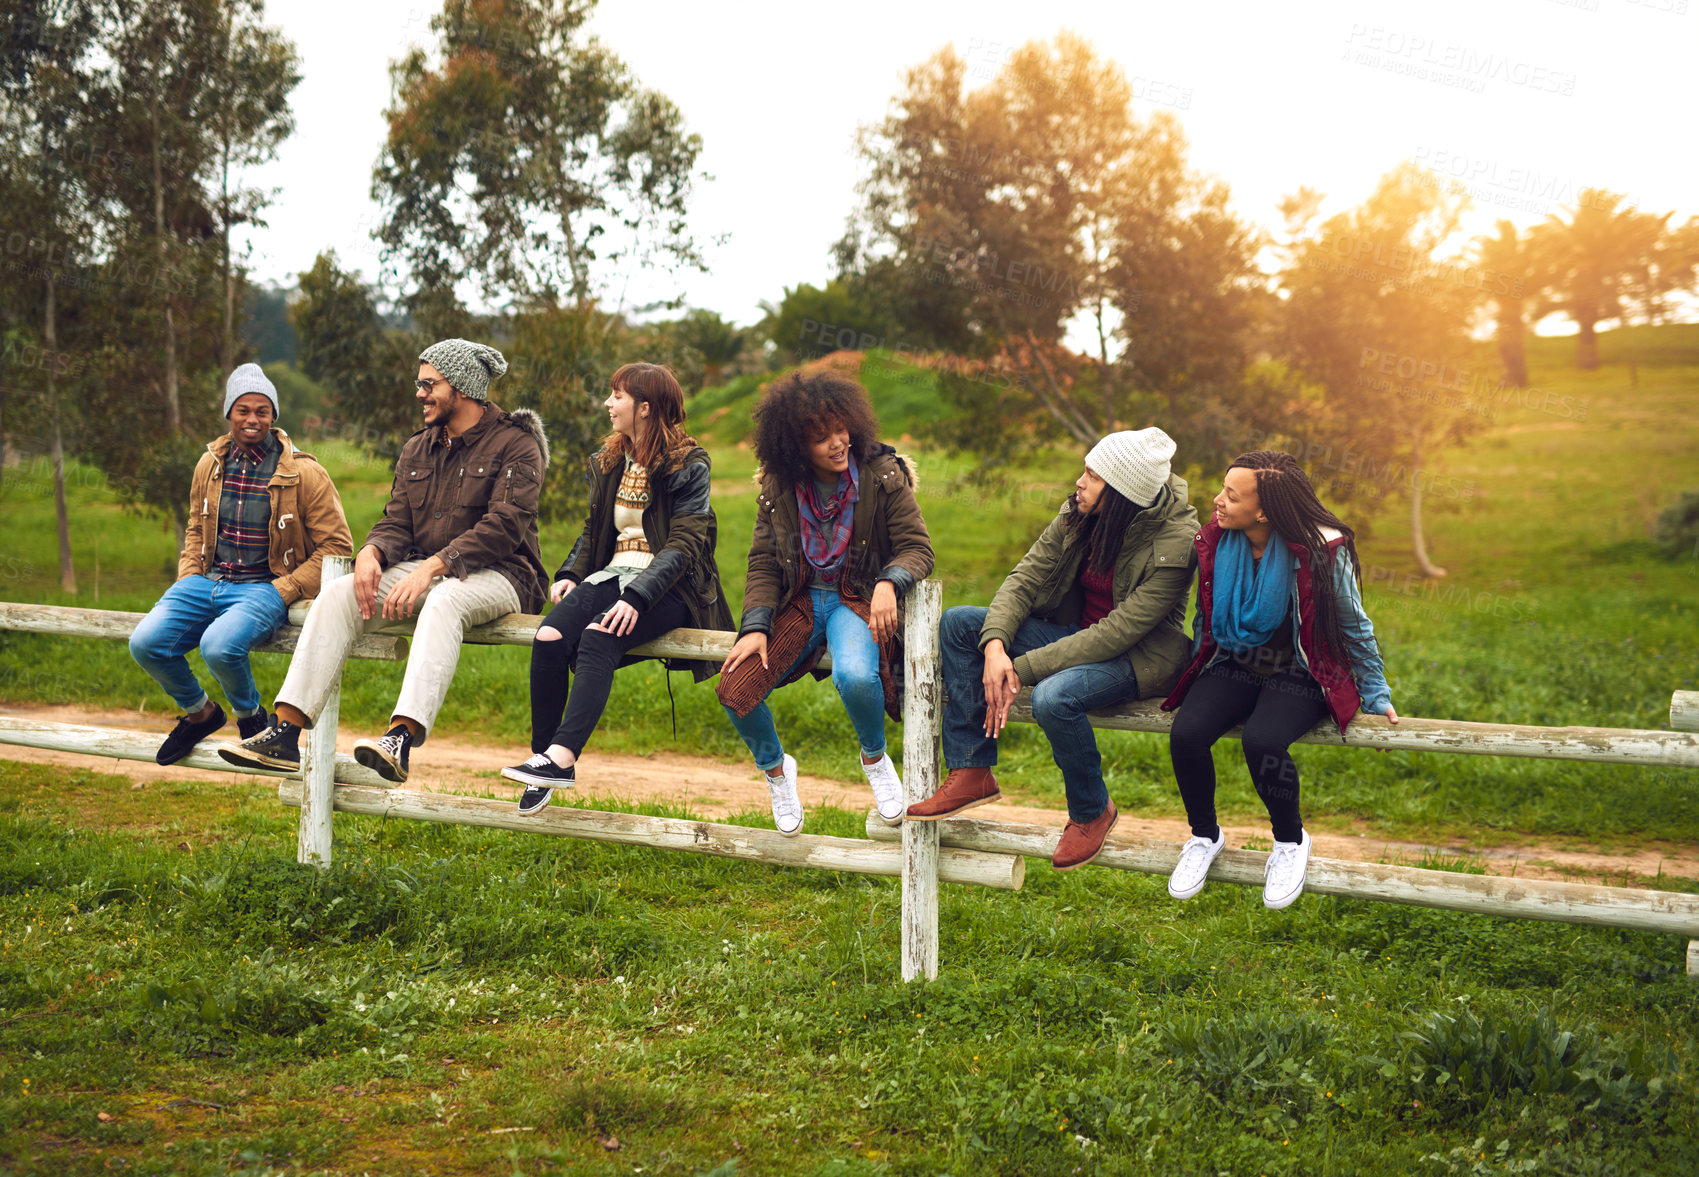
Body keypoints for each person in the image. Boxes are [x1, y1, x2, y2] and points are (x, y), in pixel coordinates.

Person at [220, 339, 549, 783]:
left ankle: (400, 738)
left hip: (504, 574)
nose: (419, 393)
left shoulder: (516, 444)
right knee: (337, 595)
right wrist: (373, 552)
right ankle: (284, 734)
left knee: (446, 600)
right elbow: (397, 520)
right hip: (430, 571)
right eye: (419, 383)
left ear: (463, 387)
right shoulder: (418, 447)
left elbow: (505, 526)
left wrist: (434, 566)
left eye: (429, 384)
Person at [906, 427, 1198, 872]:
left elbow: (1118, 632)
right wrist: (996, 647)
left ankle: (1091, 811)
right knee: (961, 623)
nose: (1080, 482)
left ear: (1121, 493)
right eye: (1084, 469)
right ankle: (972, 770)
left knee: (1054, 698)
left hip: (1137, 656)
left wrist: (1019, 668)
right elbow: (1024, 578)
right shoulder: (1079, 511)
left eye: (1092, 475)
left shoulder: (1177, 541)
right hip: (1072, 634)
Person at [1160, 449, 1397, 910]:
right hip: (1237, 661)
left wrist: (1375, 692)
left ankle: (1290, 843)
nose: (1218, 500)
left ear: (1263, 509)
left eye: (1231, 494)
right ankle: (1204, 836)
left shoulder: (1320, 552)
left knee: (1262, 741)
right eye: (1222, 489)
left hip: (1302, 670)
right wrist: (1194, 670)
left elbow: (1354, 624)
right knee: (1186, 734)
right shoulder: (1216, 540)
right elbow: (1206, 620)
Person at [502, 363, 733, 813]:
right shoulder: (611, 461)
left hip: (671, 587)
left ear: (645, 409)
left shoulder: (689, 465)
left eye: (618, 396)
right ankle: (544, 760)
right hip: (613, 573)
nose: (608, 404)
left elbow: (685, 545)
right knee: (547, 637)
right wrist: (570, 571)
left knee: (597, 638)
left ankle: (562, 759)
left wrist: (637, 596)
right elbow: (594, 531)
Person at [716, 370, 934, 835]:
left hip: (853, 597)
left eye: (841, 429)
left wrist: (888, 583)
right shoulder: (778, 489)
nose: (838, 443)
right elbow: (763, 562)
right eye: (821, 438)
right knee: (735, 687)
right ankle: (777, 770)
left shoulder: (882, 475)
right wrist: (755, 625)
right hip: (800, 601)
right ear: (796, 448)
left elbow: (918, 549)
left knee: (855, 675)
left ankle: (874, 758)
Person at [129, 364, 353, 765]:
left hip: (263, 587)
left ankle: (252, 719)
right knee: (145, 643)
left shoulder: (304, 472)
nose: (252, 419)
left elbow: (338, 546)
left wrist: (283, 589)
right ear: (229, 413)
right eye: (243, 410)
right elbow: (196, 526)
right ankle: (201, 714)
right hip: (207, 581)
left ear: (273, 416)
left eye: (262, 411)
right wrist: (188, 579)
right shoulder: (210, 464)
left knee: (219, 647)